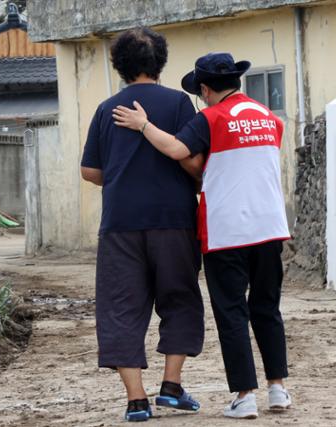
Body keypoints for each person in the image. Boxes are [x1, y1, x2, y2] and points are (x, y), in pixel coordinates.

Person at [112, 52, 292, 420]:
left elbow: (178, 150)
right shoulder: (269, 118)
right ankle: (278, 389)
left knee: (232, 313)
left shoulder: (210, 118)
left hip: (227, 232)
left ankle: (245, 396)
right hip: (270, 227)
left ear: (206, 90)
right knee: (267, 308)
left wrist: (144, 125)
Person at [80, 28, 205, 422]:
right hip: (174, 220)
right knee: (179, 298)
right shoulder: (179, 103)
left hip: (120, 223)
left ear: (120, 65)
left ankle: (136, 401)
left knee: (120, 308)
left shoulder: (106, 109)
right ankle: (171, 386)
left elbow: (90, 171)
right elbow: (194, 160)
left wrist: (122, 176)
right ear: (160, 63)